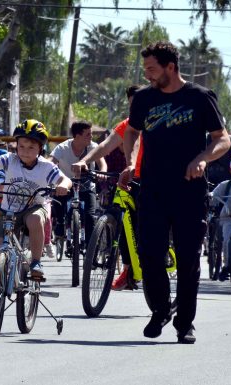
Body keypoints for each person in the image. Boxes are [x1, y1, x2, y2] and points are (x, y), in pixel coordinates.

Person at [120, 41, 230, 344]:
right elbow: (132, 130)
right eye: (145, 70)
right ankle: (159, 309)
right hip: (153, 188)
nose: (148, 75)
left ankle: (185, 323)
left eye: (152, 69)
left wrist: (203, 158)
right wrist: (131, 161)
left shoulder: (199, 98)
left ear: (171, 67)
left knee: (188, 258)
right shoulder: (143, 98)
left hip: (189, 192)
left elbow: (223, 140)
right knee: (150, 253)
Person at [0, 119, 71, 278]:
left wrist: (63, 186)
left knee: (35, 219)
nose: (25, 151)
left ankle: (36, 262)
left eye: (31, 147)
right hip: (9, 211)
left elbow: (65, 179)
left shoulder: (46, 167)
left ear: (40, 148)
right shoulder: (10, 159)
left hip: (33, 208)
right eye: (21, 146)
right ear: (16, 146)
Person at [72, 84, 142, 291]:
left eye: (137, 105)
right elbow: (105, 146)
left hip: (151, 180)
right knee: (117, 219)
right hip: (127, 180)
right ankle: (128, 269)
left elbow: (137, 146)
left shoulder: (155, 123)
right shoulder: (127, 124)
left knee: (144, 227)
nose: (134, 109)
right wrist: (84, 161)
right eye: (131, 105)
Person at [51, 120, 106, 255]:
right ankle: (60, 223)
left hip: (87, 185)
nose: (91, 137)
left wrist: (102, 174)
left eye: (91, 134)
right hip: (67, 184)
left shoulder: (94, 146)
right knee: (57, 199)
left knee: (90, 216)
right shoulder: (62, 148)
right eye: (88, 134)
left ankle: (91, 249)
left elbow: (102, 164)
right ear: (77, 136)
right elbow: (51, 163)